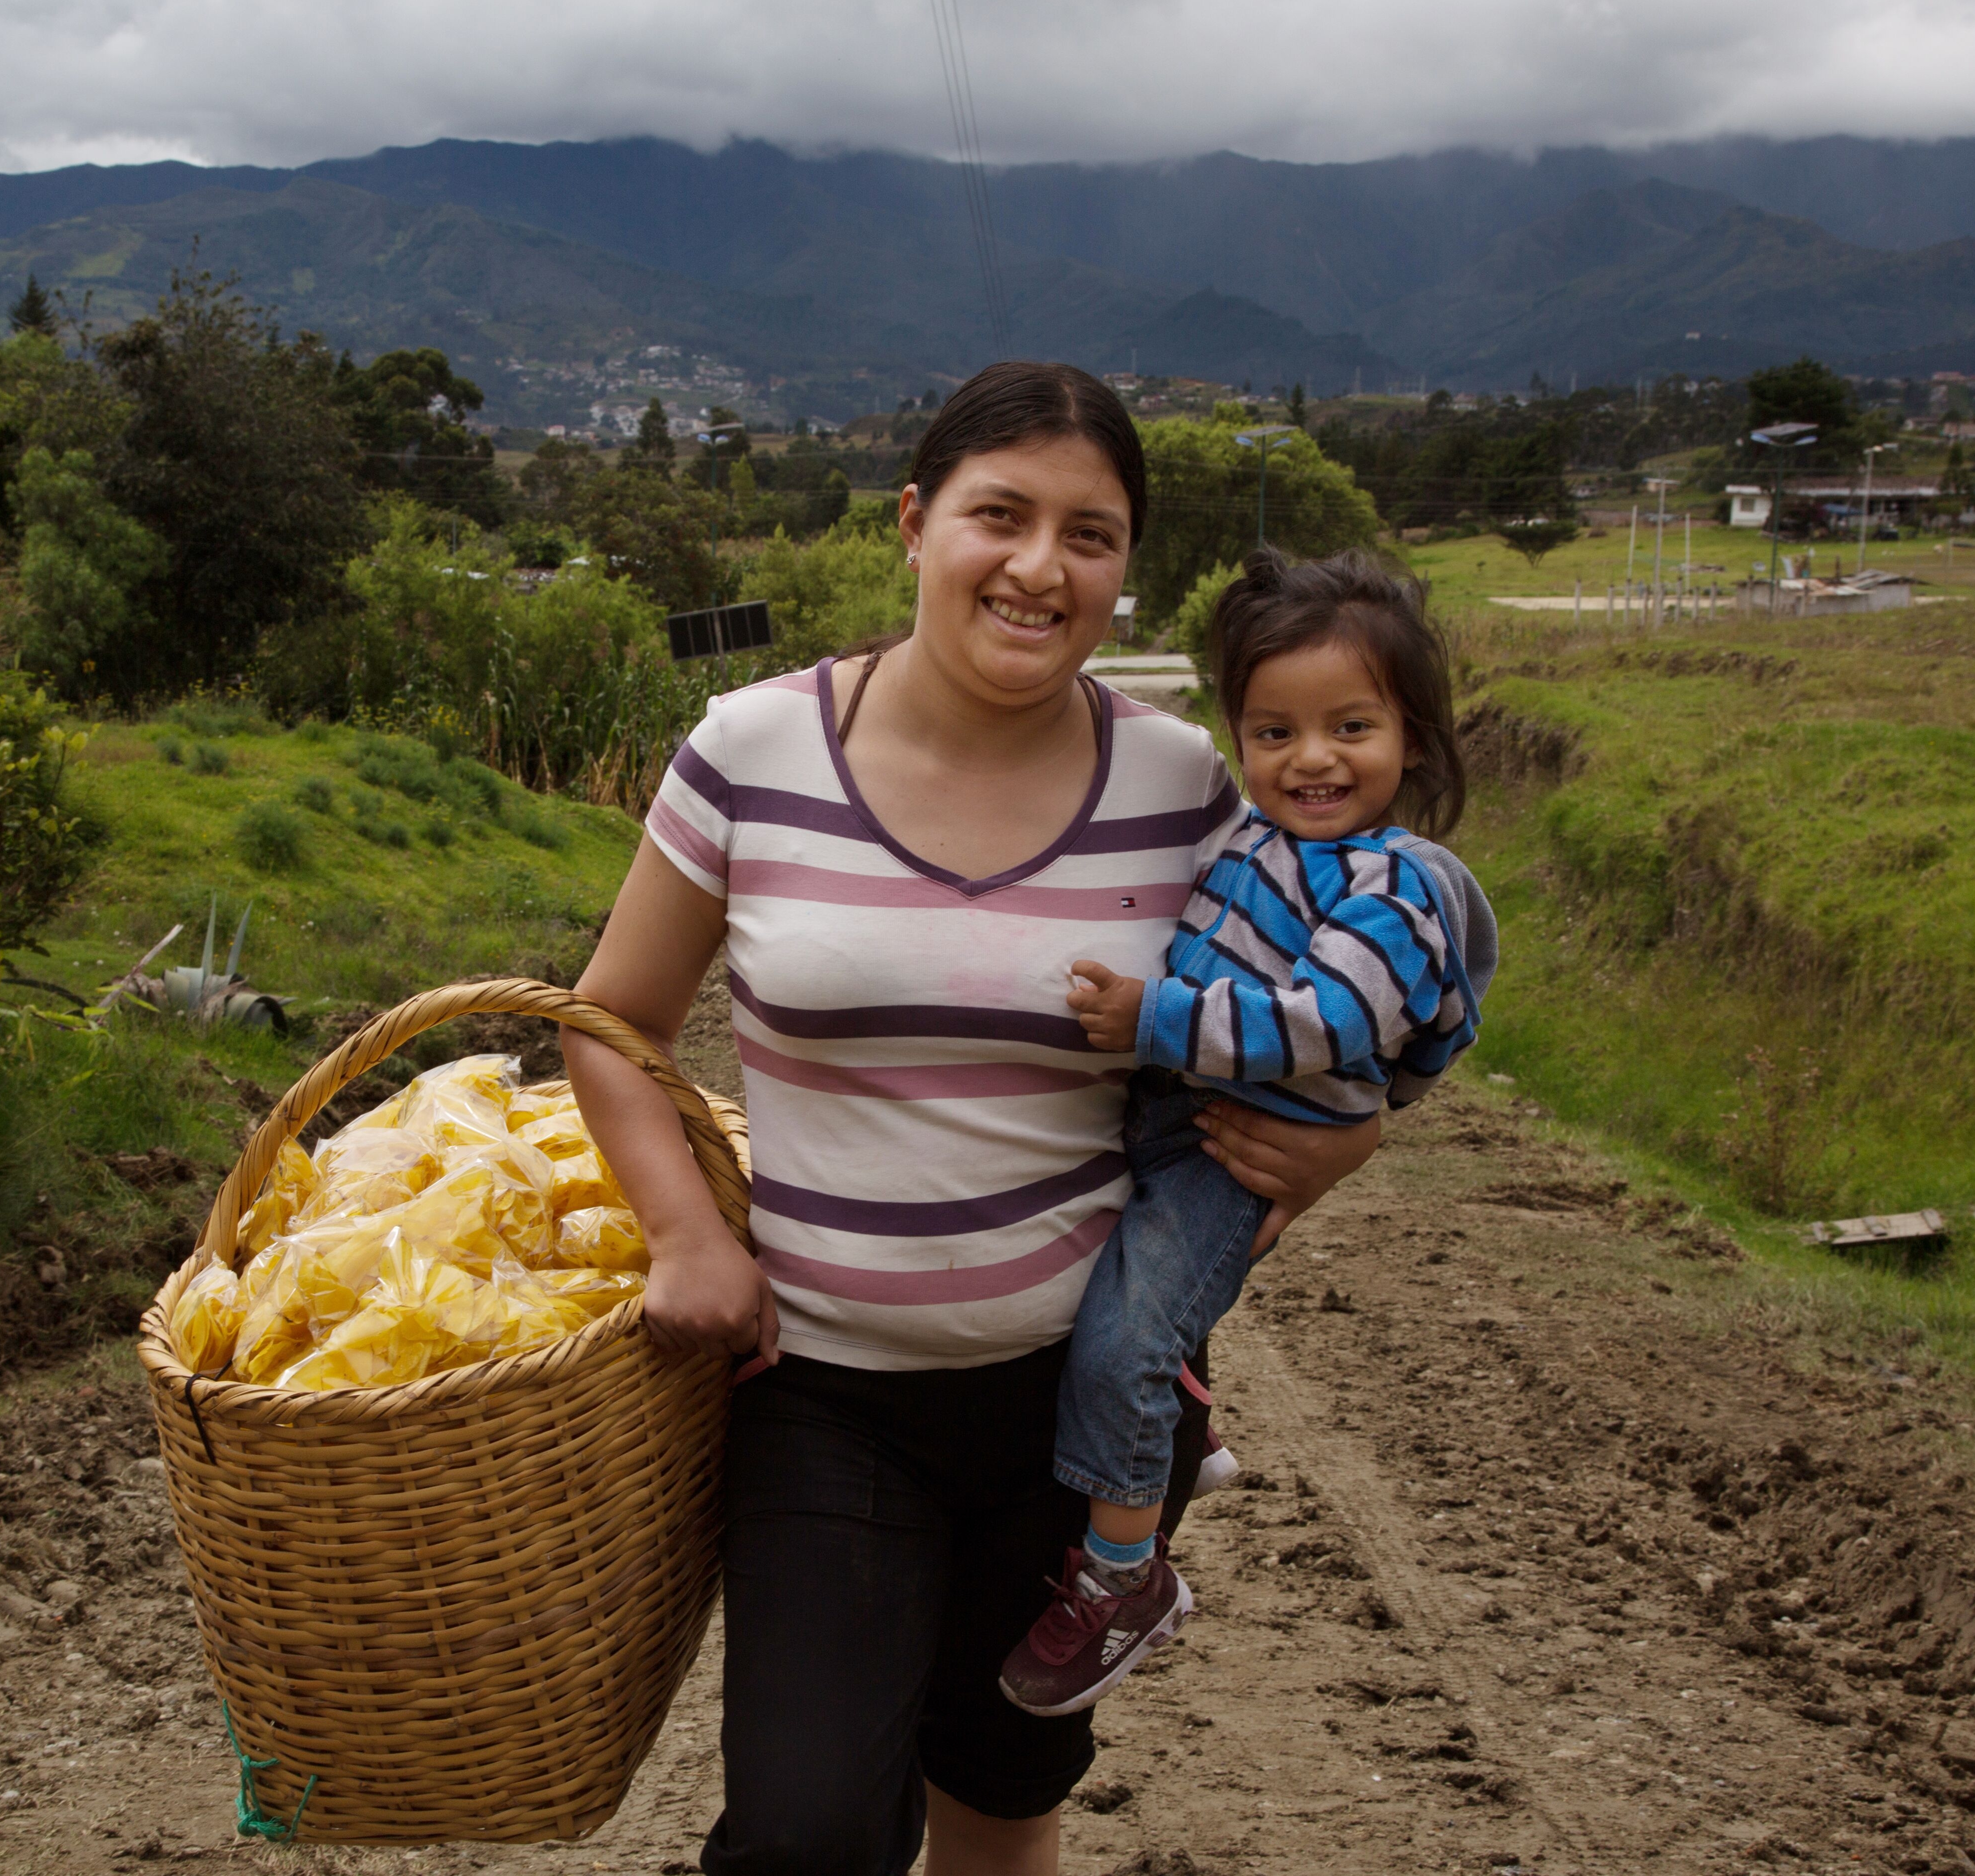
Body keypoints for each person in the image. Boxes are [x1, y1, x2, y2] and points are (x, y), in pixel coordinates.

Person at [562, 362, 1385, 1876]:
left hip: (1085, 1409)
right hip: (821, 1396)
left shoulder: (1182, 785)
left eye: (1091, 534)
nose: (1039, 567)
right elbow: (610, 1026)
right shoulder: (751, 750)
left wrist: (1341, 1142)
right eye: (1000, 515)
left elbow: (1311, 1012)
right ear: (914, 523)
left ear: (1125, 567)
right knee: (807, 1836)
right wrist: (685, 1238)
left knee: (1001, 1796)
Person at [995, 547, 1500, 1718]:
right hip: (1184, 1116)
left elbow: (1326, 1022)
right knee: (1116, 1283)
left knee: (1124, 1337)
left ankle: (1124, 1578)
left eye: (1351, 728)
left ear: (1414, 738)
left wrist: (1153, 1018)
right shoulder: (1259, 841)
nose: (1311, 758)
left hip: (1232, 1141)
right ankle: (1184, 1423)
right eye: (1275, 733)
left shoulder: (1393, 884)